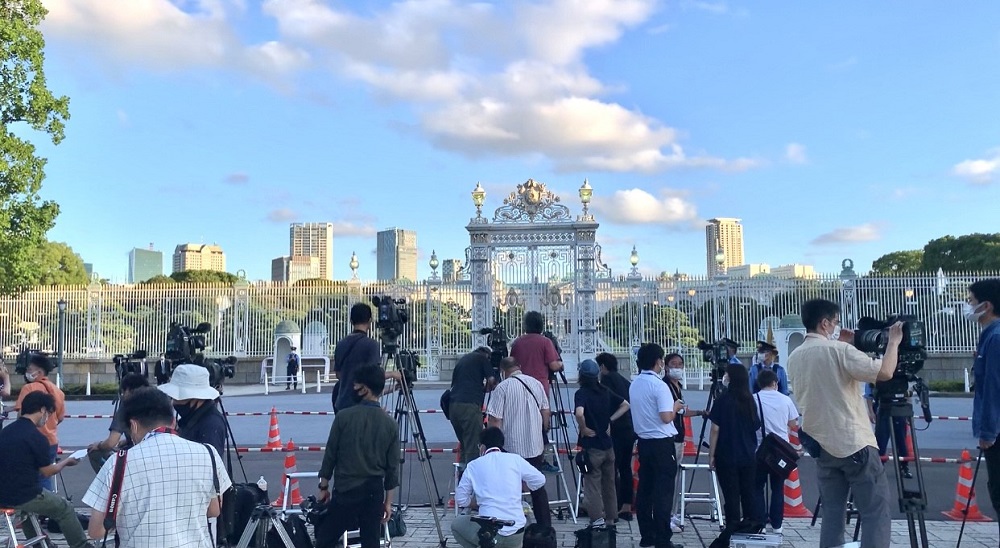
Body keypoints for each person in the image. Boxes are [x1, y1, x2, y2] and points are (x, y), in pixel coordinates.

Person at [786, 298, 901, 548]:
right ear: (824, 323)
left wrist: (842, 344)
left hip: (821, 445)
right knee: (875, 510)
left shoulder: (794, 357)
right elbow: (884, 372)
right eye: (835, 322)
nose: (838, 327)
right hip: (853, 441)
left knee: (832, 513)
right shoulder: (839, 351)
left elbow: (825, 373)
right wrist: (893, 342)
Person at [84, 387, 232, 548]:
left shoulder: (118, 463)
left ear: (133, 425)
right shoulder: (208, 454)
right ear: (173, 422)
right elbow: (214, 510)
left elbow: (96, 530)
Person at [315, 364, 400, 548]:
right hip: (373, 491)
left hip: (346, 490)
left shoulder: (343, 417)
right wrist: (388, 502)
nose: (352, 388)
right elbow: (392, 469)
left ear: (365, 389)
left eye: (356, 385)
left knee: (325, 539)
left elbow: (330, 456)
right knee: (371, 541)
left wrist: (323, 486)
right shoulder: (390, 423)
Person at [0, 391, 92, 548]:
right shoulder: (37, 437)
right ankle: (81, 545)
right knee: (65, 508)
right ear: (42, 410)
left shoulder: (5, 432)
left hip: (3, 494)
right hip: (25, 495)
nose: (49, 418)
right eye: (49, 413)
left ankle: (40, 544)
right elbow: (47, 472)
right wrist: (66, 462)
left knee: (26, 511)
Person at [451, 427, 546, 548]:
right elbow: (540, 479)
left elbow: (461, 499)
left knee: (457, 524)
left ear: (482, 447)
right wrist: (524, 486)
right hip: (516, 532)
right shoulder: (515, 459)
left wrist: (478, 504)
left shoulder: (474, 465)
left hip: (489, 532)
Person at [629, 343, 685, 548]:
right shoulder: (659, 386)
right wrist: (676, 407)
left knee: (645, 490)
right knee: (663, 494)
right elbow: (665, 417)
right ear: (657, 361)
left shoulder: (635, 384)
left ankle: (647, 535)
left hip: (644, 442)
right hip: (662, 443)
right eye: (662, 360)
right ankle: (663, 538)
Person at [486, 356, 552, 528]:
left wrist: (493, 444)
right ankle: (545, 525)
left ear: (502, 371)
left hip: (511, 446)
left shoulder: (502, 388)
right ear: (519, 366)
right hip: (535, 445)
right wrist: (542, 432)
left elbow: (494, 419)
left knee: (510, 488)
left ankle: (512, 524)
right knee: (537, 486)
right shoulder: (536, 383)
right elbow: (546, 411)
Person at [574, 359, 629, 528]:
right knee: (609, 484)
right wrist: (609, 421)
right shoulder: (605, 391)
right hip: (608, 445)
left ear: (581, 375)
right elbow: (625, 405)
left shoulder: (582, 393)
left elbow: (579, 412)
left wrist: (583, 427)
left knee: (592, 485)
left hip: (592, 446)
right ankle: (611, 518)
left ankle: (597, 518)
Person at [709, 364, 761, 534]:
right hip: (747, 453)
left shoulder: (722, 400)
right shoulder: (749, 400)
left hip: (726, 454)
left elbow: (715, 429)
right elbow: (755, 426)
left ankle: (732, 525)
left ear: (730, 378)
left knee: (731, 494)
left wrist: (711, 455)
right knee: (748, 491)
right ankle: (750, 523)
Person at [967, 278, 1000, 531]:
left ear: (986, 306)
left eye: (971, 301)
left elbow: (993, 388)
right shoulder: (990, 336)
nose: (968, 306)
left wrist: (988, 432)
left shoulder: (996, 338)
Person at [752, 369, 799, 534]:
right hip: (781, 452)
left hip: (759, 450)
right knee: (778, 488)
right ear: (775, 383)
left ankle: (760, 523)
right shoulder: (785, 400)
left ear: (759, 383)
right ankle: (777, 525)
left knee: (757, 487)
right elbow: (793, 424)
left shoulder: (753, 399)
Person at [663, 353, 705, 532]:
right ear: (665, 366)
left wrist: (700, 413)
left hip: (679, 438)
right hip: (670, 438)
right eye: (674, 364)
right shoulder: (665, 386)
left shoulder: (677, 386)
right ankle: (666, 516)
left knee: (675, 476)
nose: (677, 368)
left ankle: (671, 513)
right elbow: (670, 412)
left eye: (680, 364)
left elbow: (682, 411)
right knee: (668, 479)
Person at [332, 302, 398, 412]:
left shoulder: (341, 344)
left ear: (351, 321)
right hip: (363, 407)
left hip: (342, 405)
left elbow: (339, 374)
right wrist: (393, 374)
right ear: (369, 321)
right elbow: (373, 377)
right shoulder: (371, 345)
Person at [14, 353, 66, 490]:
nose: (27, 372)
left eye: (30, 369)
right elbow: (60, 418)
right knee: (45, 476)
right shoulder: (58, 391)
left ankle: (32, 508)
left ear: (39, 372)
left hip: (30, 441)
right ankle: (47, 507)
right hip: (51, 441)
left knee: (29, 477)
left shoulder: (29, 388)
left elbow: (21, 415)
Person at [596, 352, 636, 521]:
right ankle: (626, 505)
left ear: (603, 367)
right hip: (629, 429)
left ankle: (610, 507)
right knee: (626, 468)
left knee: (611, 469)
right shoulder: (625, 381)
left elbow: (605, 404)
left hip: (615, 430)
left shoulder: (606, 381)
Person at [156, 364, 226, 455]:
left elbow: (211, 465)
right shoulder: (192, 417)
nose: (174, 402)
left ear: (195, 397)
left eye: (179, 397)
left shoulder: (211, 425)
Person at [87, 373, 150, 473]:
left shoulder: (126, 407)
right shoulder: (156, 402)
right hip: (157, 452)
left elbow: (111, 443)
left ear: (128, 390)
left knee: (94, 452)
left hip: (136, 457)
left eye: (123, 392)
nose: (122, 395)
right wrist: (127, 440)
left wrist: (98, 445)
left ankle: (110, 481)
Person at [448, 347, 497, 468]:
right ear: (487, 355)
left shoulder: (463, 360)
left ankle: (462, 477)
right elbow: (492, 381)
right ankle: (472, 480)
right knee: (473, 446)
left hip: (453, 406)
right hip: (469, 405)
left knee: (465, 445)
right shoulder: (482, 358)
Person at [864, 383, 911, 479]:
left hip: (900, 409)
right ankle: (878, 466)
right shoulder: (877, 375)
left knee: (901, 440)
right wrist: (871, 411)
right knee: (881, 440)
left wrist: (907, 413)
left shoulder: (900, 377)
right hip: (882, 408)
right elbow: (869, 394)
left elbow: (906, 394)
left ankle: (904, 466)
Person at [509, 310, 563, 392]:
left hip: (521, 385)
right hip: (539, 386)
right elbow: (554, 366)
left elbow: (511, 364)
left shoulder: (517, 343)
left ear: (526, 325)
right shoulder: (546, 342)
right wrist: (561, 364)